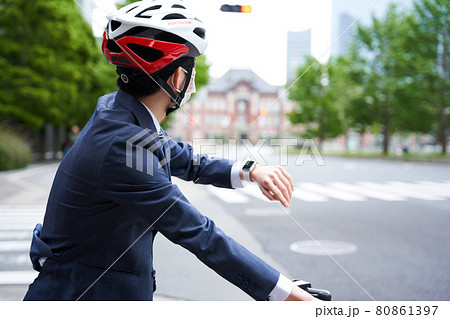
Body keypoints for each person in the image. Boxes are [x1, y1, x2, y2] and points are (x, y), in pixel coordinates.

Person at [23, 1, 315, 301]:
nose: (193, 79)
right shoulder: (122, 147)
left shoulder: (117, 113)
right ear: (177, 78)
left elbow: (183, 157)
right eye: (193, 69)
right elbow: (199, 233)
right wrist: (288, 295)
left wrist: (250, 170)